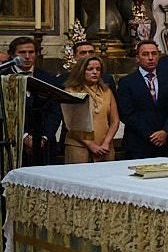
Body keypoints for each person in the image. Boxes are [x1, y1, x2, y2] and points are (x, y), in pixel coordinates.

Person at [117, 39, 168, 159]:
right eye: (145, 54)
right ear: (137, 58)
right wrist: (149, 134)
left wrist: (165, 131)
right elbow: (126, 113)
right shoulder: (127, 82)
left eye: (154, 53)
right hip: (138, 143)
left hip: (167, 142)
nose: (150, 57)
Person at [8, 36, 61, 165]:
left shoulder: (48, 78)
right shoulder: (4, 77)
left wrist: (43, 137)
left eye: (31, 52)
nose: (27, 56)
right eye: (22, 52)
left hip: (45, 144)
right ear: (12, 55)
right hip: (13, 143)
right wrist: (25, 137)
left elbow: (55, 111)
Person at [62, 54, 119, 164]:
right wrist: (91, 145)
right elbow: (70, 124)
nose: (95, 72)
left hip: (104, 146)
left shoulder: (107, 91)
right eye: (90, 69)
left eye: (98, 69)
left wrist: (106, 142)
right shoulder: (71, 92)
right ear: (81, 71)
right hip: (79, 146)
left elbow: (115, 121)